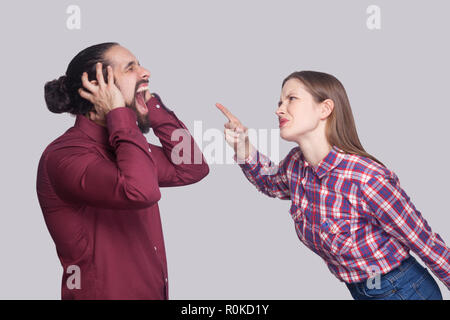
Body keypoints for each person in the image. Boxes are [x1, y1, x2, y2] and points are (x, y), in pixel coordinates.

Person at [215, 70, 449, 300]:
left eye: (291, 99)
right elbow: (268, 182)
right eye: (279, 101)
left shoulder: (366, 177)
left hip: (402, 290)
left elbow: (424, 242)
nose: (279, 109)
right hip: (361, 290)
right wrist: (242, 146)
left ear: (325, 109)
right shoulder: (296, 165)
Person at [37, 42, 209, 299]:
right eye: (131, 69)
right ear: (98, 88)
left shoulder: (126, 146)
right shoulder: (64, 156)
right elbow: (140, 191)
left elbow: (192, 167)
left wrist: (148, 104)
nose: (146, 72)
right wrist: (119, 112)